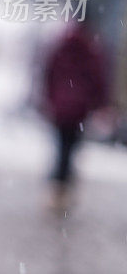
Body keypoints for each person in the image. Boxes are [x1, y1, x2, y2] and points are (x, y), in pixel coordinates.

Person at [42, 21, 108, 211]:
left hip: (61, 108)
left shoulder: (62, 45)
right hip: (79, 109)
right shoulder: (92, 49)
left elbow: (49, 73)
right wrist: (99, 103)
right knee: (70, 149)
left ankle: (57, 188)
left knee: (61, 148)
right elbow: (98, 79)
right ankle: (64, 189)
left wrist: (50, 98)